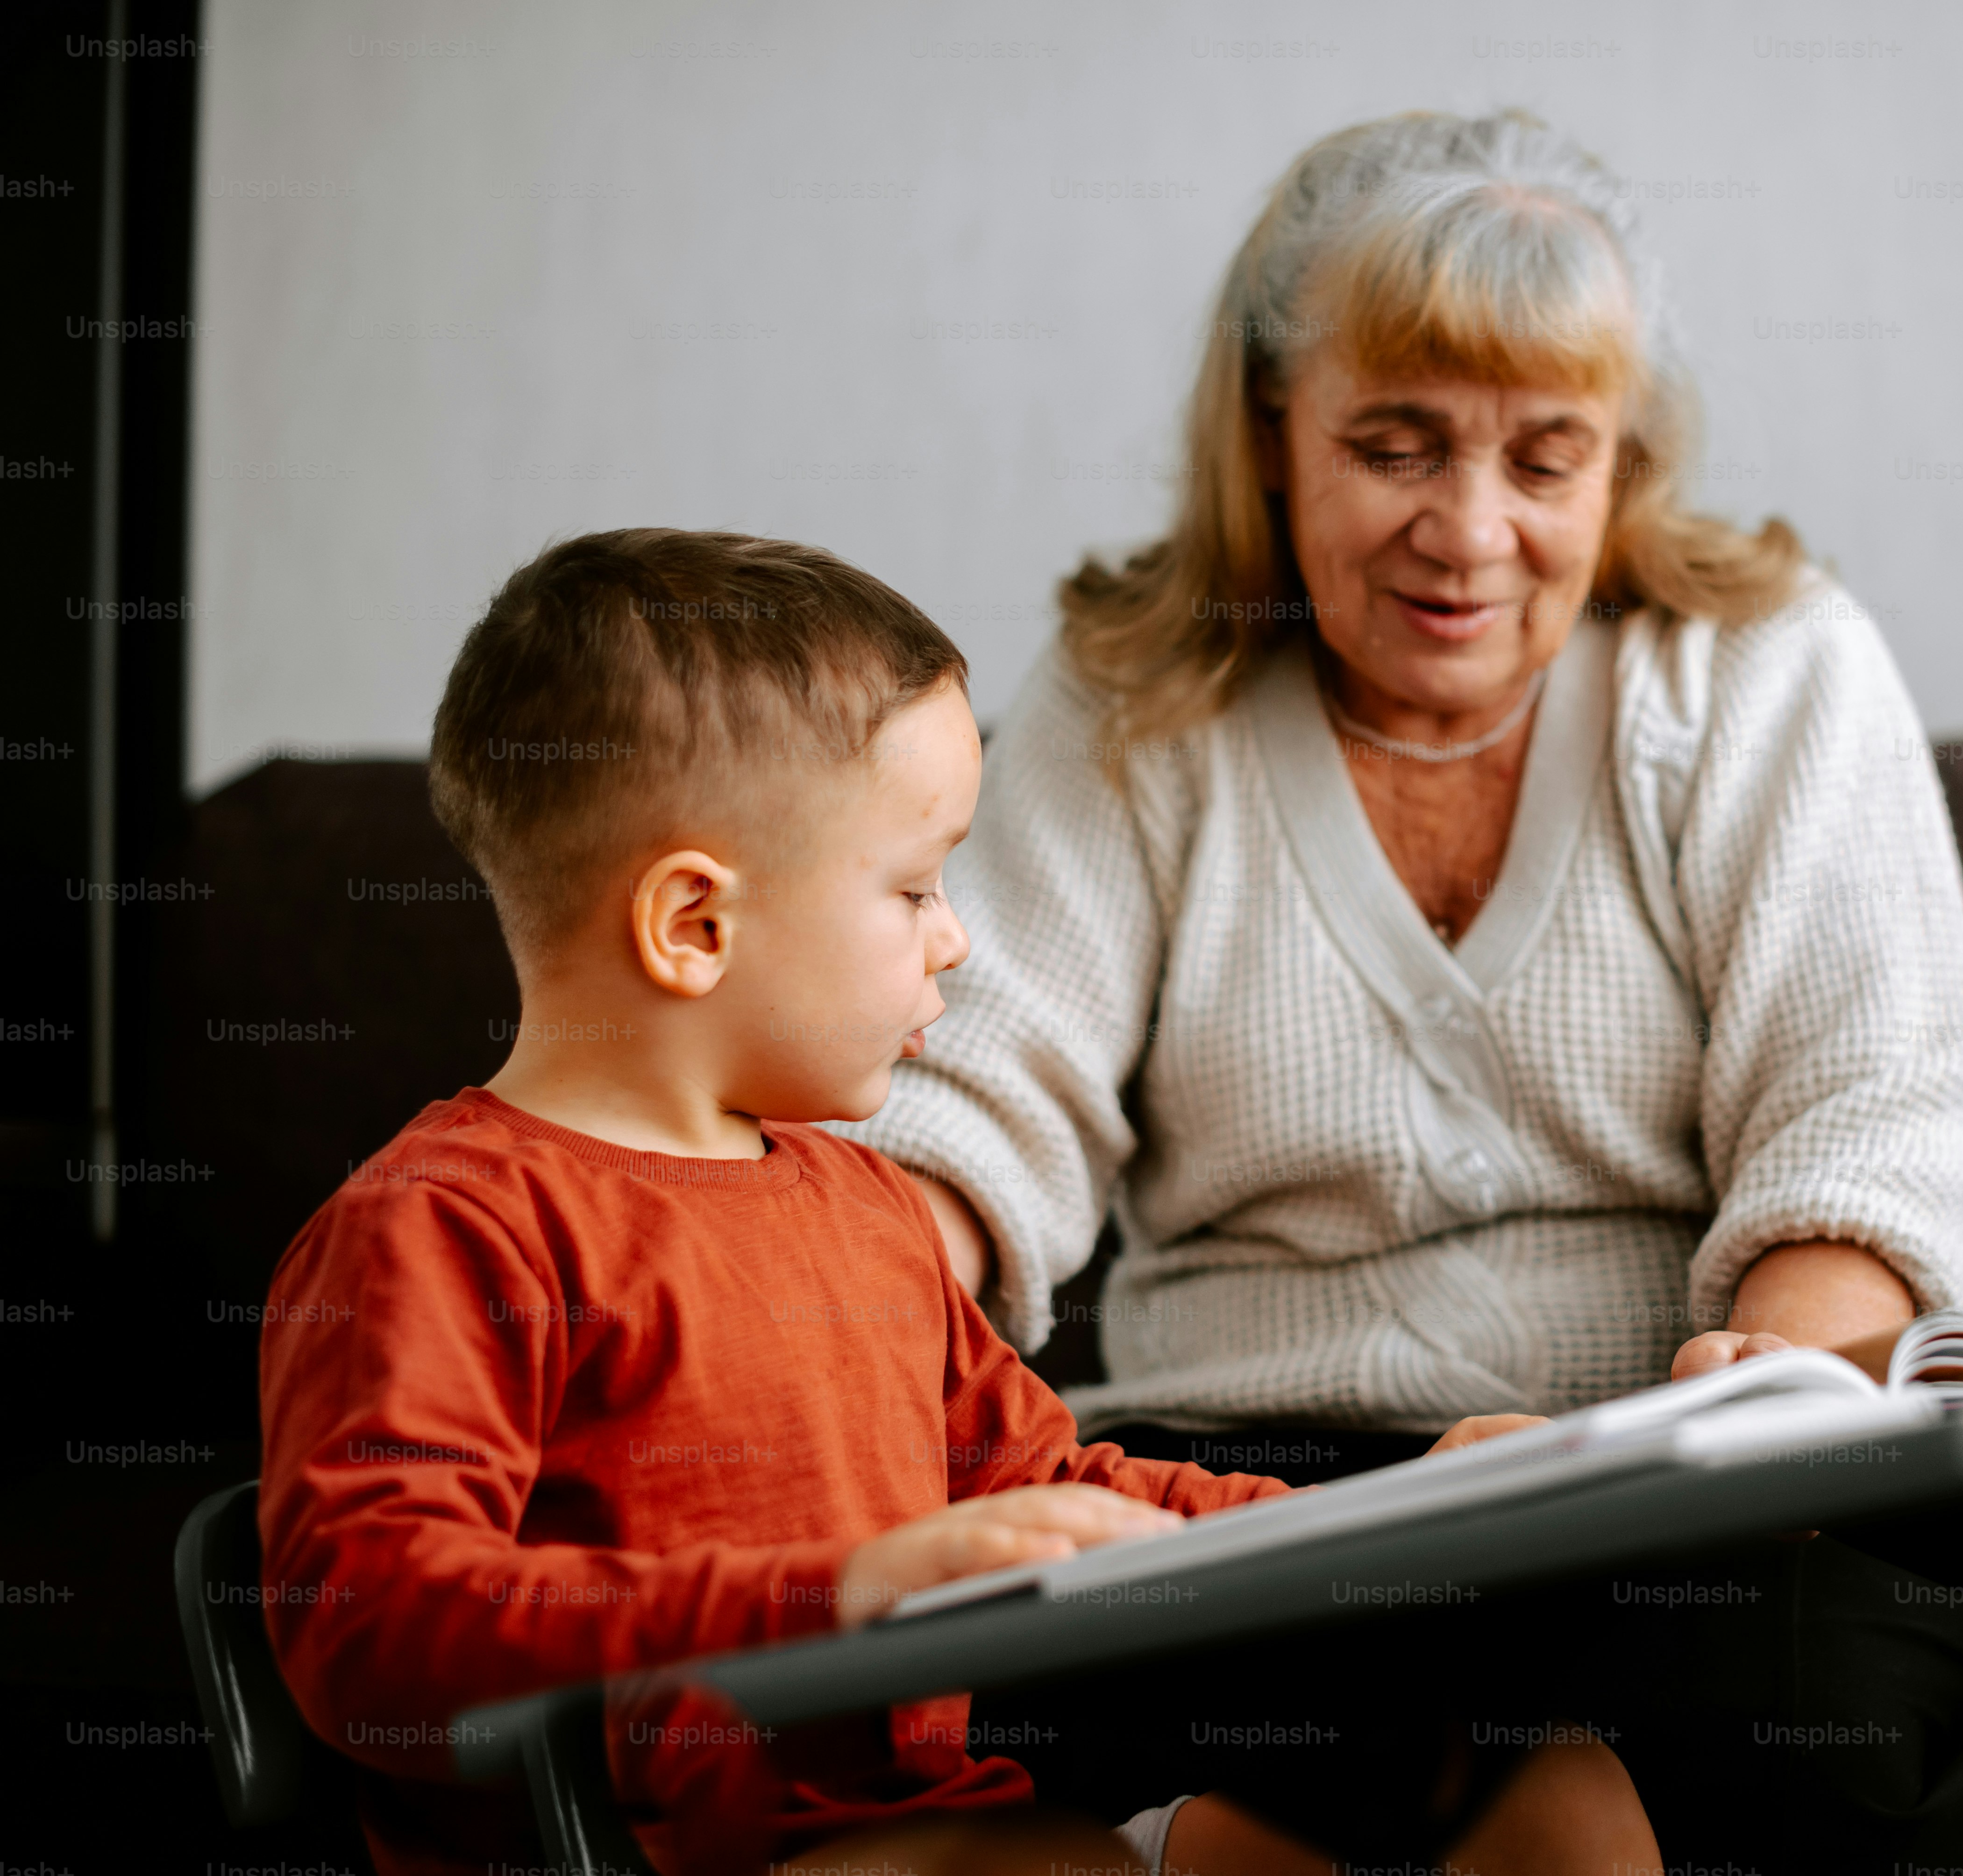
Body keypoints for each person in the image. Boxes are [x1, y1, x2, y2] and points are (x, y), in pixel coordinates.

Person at [845, 109, 1963, 1866]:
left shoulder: (1771, 672)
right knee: (1057, 1661)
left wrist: (1751, 1406)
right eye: (1397, 445)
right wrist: (822, 1355)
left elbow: (1868, 1128)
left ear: (1627, 456)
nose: (1469, 533)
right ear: (1273, 432)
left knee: (1809, 1716)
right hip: (1247, 1480)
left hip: (1660, 1490)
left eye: (1546, 459)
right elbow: (965, 1107)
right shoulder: (1137, 699)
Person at [254, 528, 1660, 1876]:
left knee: (1553, 1800)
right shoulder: (444, 1229)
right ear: (695, 926)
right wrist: (841, 1592)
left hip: (977, 1841)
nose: (957, 940)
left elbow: (1053, 1493)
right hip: (709, 1862)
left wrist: (1396, 1518)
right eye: (916, 887)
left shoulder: (860, 1207)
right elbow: (371, 1625)